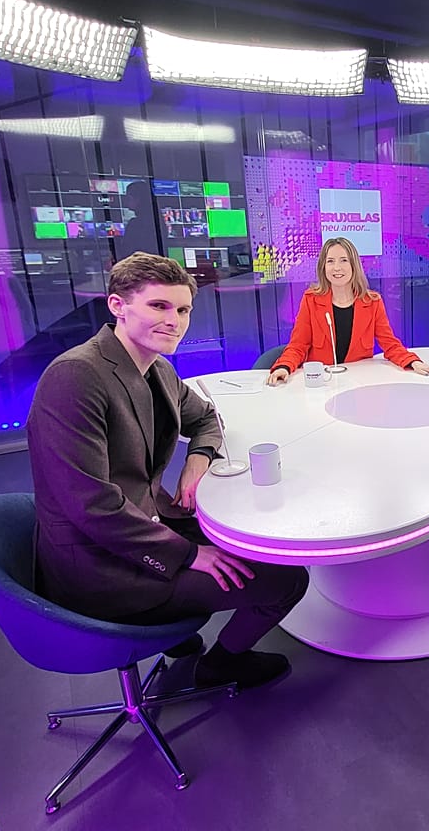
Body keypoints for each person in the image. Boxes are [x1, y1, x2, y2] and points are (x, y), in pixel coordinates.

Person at [28, 253, 309, 687]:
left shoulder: (155, 366)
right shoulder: (75, 378)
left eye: (182, 310)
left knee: (257, 544)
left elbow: (206, 418)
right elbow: (93, 507)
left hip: (146, 520)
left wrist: (198, 459)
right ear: (118, 306)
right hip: (99, 565)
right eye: (159, 306)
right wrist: (190, 555)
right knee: (286, 580)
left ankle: (179, 633)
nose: (175, 321)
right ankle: (221, 666)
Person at [267, 237, 429, 384]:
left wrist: (412, 362)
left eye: (344, 260)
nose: (337, 267)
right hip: (322, 383)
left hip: (358, 383)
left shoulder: (372, 302)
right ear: (323, 267)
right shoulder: (311, 300)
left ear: (354, 266)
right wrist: (284, 367)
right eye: (330, 261)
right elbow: (298, 346)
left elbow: (390, 345)